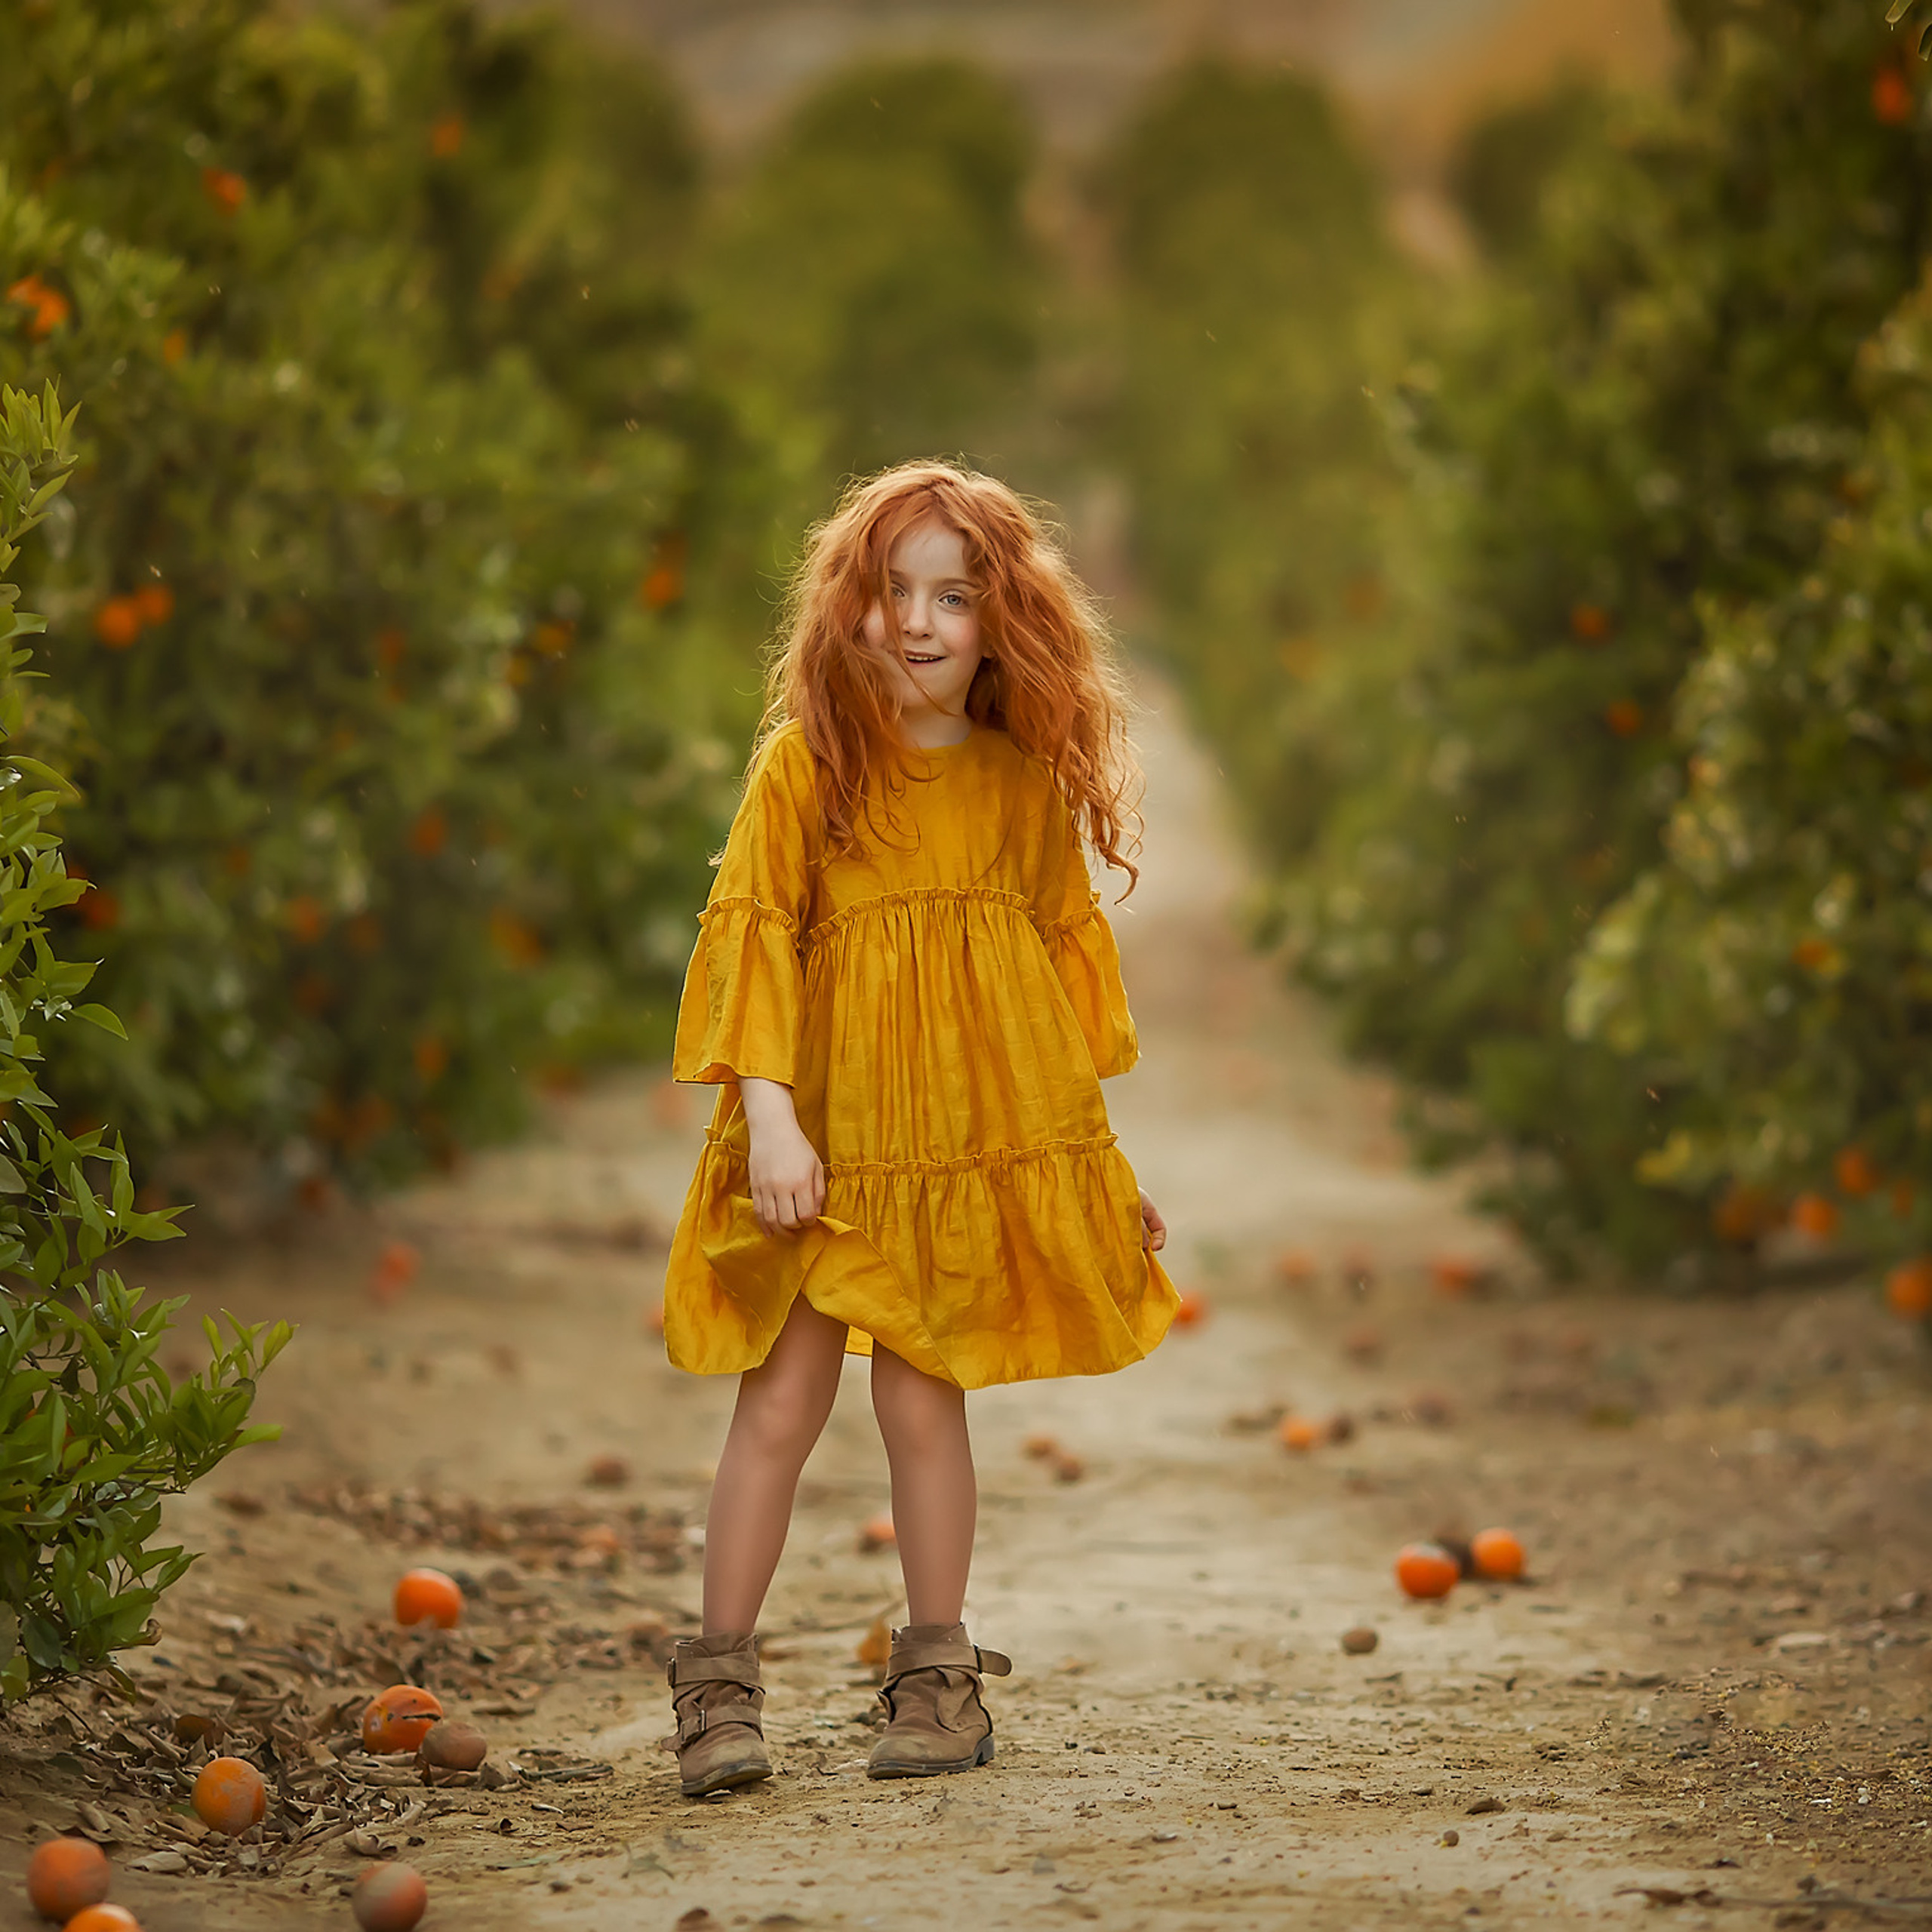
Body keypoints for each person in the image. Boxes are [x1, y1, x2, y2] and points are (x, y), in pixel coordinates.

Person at [659, 460, 1178, 1797]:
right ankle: (719, 1687)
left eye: (955, 594)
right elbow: (755, 946)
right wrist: (770, 1124)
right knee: (778, 1403)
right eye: (895, 592)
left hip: (947, 1161)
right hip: (817, 1155)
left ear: (1004, 620)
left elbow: (1048, 1016)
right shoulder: (808, 766)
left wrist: (1100, 1179)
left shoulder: (1017, 789)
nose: (921, 620)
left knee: (920, 1399)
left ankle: (938, 1678)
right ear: (854, 609)